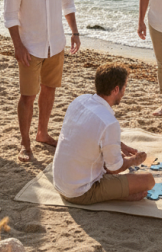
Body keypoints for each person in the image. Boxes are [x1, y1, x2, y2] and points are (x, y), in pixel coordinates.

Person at [3, 0, 81, 163]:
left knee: (49, 89)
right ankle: (25, 145)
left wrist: (75, 32)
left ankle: (42, 133)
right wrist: (18, 46)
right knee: (27, 96)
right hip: (30, 47)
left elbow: (68, 2)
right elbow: (10, 15)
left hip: (55, 43)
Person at [52, 63, 155, 204]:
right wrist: (133, 161)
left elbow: (90, 133)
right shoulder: (109, 123)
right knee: (148, 181)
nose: (125, 91)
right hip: (79, 192)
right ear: (116, 89)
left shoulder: (80, 100)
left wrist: (119, 144)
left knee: (113, 164)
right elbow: (115, 169)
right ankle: (114, 194)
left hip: (60, 182)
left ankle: (117, 192)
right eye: (125, 87)